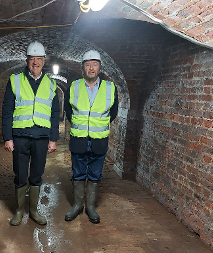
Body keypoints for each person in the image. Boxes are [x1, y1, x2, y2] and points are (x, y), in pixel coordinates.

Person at [2, 41, 59, 226]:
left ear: (44, 61)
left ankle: (33, 211)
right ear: (27, 61)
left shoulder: (51, 85)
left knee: (36, 174)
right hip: (20, 137)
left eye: (39, 59)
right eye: (32, 59)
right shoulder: (15, 80)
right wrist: (7, 137)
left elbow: (55, 113)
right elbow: (7, 110)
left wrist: (53, 139)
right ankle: (19, 211)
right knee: (19, 174)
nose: (35, 62)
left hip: (41, 138)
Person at [64, 50, 118, 224]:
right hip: (79, 138)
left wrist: (97, 125)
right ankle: (77, 205)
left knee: (95, 174)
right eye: (87, 64)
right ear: (82, 68)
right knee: (78, 173)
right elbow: (68, 110)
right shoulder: (74, 86)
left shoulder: (110, 88)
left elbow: (114, 111)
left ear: (100, 67)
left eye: (95, 64)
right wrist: (82, 125)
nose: (91, 68)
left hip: (99, 139)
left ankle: (91, 207)